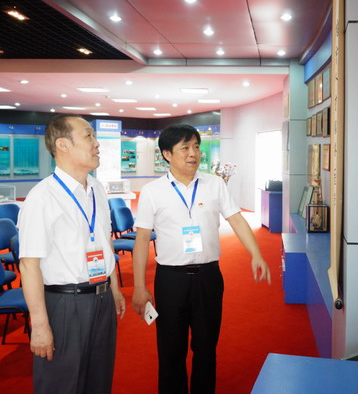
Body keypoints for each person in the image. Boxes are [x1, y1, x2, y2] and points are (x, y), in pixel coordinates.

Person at [132, 124, 271, 394]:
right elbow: (141, 240)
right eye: (185, 148)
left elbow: (237, 220)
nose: (193, 153)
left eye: (196, 146)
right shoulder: (152, 191)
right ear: (167, 154)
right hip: (170, 280)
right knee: (171, 350)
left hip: (208, 277)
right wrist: (139, 286)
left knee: (206, 348)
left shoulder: (214, 184)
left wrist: (256, 254)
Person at [18, 114, 126, 394]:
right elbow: (29, 265)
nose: (97, 143)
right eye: (89, 136)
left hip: (102, 298)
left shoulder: (97, 189)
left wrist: (114, 288)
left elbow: (105, 242)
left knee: (99, 381)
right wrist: (39, 325)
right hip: (65, 303)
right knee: (62, 384)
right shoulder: (42, 197)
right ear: (63, 145)